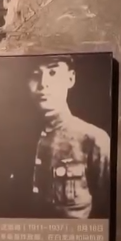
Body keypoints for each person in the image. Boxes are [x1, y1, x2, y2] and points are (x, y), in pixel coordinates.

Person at [23, 55, 112, 219]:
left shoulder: (94, 139)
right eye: (35, 75)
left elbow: (107, 211)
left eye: (53, 73)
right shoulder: (17, 139)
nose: (43, 84)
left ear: (70, 79)